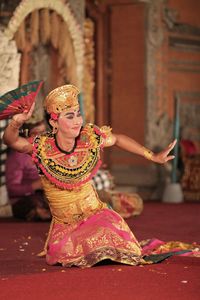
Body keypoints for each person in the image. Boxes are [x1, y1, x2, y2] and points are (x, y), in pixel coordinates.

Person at [3, 84, 188, 268]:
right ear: (54, 122)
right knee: (76, 249)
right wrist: (17, 121)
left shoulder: (88, 138)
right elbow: (11, 141)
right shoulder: (42, 147)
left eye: (78, 114)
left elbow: (117, 139)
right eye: (70, 116)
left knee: (107, 232)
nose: (77, 121)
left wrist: (152, 156)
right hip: (66, 224)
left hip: (95, 213)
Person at [5, 121, 51, 221]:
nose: (42, 137)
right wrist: (36, 185)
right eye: (36, 133)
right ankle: (39, 212)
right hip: (24, 200)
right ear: (26, 135)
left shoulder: (45, 151)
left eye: (44, 132)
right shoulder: (18, 155)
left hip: (42, 196)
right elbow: (12, 189)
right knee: (34, 203)